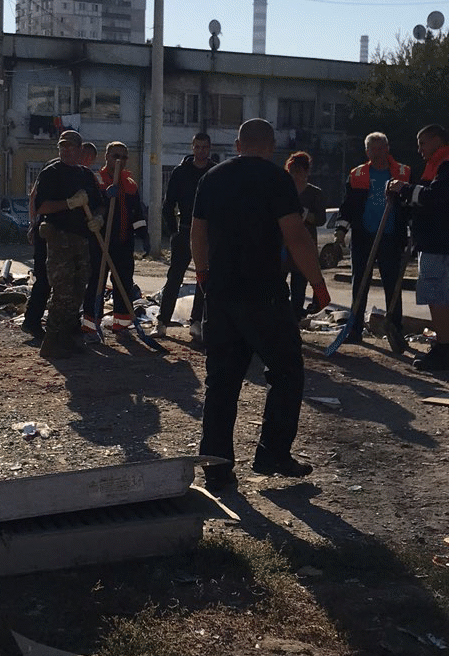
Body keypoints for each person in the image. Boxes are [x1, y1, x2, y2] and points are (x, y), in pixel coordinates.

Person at [191, 119, 331, 490]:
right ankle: (272, 454)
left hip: (221, 294)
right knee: (286, 372)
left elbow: (197, 231)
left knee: (221, 382)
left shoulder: (212, 178)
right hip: (264, 294)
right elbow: (295, 235)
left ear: (238, 145)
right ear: (270, 147)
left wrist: (203, 274)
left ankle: (217, 468)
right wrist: (317, 284)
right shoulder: (276, 179)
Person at [32, 130, 104, 360]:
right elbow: (42, 206)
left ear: (80, 150)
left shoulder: (86, 175)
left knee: (78, 288)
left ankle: (67, 337)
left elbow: (99, 203)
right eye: (62, 146)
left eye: (70, 147)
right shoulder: (51, 173)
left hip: (81, 238)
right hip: (59, 237)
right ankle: (51, 341)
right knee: (62, 289)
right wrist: (70, 203)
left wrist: (98, 218)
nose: (65, 150)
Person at [334, 132, 410, 345]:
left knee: (392, 284)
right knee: (360, 282)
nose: (379, 152)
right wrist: (341, 230)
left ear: (388, 148)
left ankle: (395, 329)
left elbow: (411, 207)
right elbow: (348, 205)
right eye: (374, 148)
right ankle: (355, 329)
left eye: (382, 147)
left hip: (391, 236)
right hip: (363, 236)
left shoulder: (403, 172)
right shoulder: (358, 174)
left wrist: (412, 232)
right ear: (367, 151)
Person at [387, 123, 449, 372]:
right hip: (436, 241)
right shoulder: (436, 165)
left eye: (423, 143)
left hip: (439, 244)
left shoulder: (445, 165)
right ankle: (444, 344)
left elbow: (435, 197)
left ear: (437, 140)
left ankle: (444, 350)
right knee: (440, 297)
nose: (419, 149)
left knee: (437, 297)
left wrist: (404, 189)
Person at [81, 142, 150, 339]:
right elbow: (89, 209)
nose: (119, 160)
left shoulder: (130, 184)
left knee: (124, 281)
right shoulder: (96, 180)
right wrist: (104, 196)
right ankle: (90, 321)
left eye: (123, 157)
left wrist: (144, 235)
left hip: (123, 241)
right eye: (115, 156)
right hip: (101, 241)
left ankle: (121, 322)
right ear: (107, 157)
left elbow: (137, 214)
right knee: (97, 281)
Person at [155, 132, 213, 340]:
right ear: (192, 147)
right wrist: (174, 232)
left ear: (209, 148)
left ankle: (196, 321)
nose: (201, 151)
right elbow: (168, 204)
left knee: (203, 278)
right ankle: (162, 322)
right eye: (197, 147)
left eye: (204, 147)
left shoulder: (214, 172)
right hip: (185, 230)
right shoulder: (181, 172)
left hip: (207, 234)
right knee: (174, 277)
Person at [284, 152, 326, 318]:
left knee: (299, 285)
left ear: (306, 172)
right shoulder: (284, 191)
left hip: (304, 245)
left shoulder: (314, 193)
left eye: (299, 171)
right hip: (284, 244)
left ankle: (296, 318)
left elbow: (321, 219)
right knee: (278, 281)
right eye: (292, 171)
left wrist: (304, 214)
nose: (295, 175)